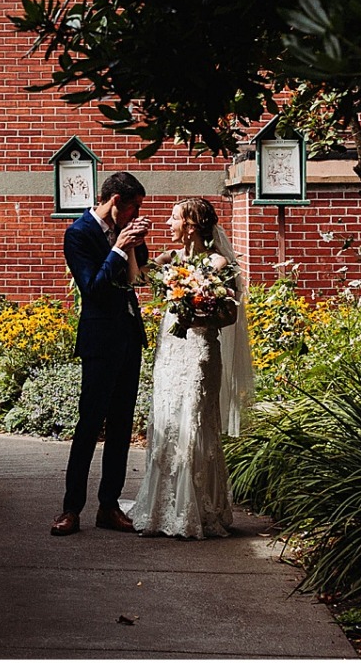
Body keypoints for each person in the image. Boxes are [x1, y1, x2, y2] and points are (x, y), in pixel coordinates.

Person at [131, 196, 255, 539]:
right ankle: (161, 508)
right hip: (170, 351)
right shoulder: (170, 258)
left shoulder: (217, 263)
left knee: (197, 423)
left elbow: (230, 313)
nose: (168, 224)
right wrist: (131, 246)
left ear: (190, 224)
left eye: (173, 218)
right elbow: (138, 279)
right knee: (168, 420)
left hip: (200, 351)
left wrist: (198, 312)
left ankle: (199, 509)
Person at [51, 170, 153, 536]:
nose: (135, 213)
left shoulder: (125, 230)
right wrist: (117, 247)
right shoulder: (78, 234)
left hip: (128, 337)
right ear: (115, 203)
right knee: (89, 425)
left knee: (122, 426)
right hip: (99, 341)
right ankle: (70, 509)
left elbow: (137, 279)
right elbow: (92, 288)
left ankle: (108, 506)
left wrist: (136, 243)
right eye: (133, 208)